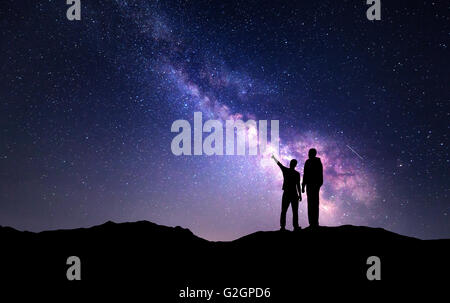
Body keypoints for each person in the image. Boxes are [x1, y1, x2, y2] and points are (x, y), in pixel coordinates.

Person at [271, 154, 302, 231]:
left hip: (289, 193)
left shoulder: (288, 171)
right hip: (292, 193)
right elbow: (298, 185)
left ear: (292, 164)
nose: (292, 164)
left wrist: (300, 195)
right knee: (290, 211)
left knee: (287, 211)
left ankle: (286, 227)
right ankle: (292, 227)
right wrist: (300, 195)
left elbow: (298, 185)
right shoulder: (295, 173)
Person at [301, 148, 323, 228]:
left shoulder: (317, 161)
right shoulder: (307, 162)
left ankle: (315, 223)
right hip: (309, 185)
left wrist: (319, 184)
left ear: (314, 153)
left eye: (310, 153)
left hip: (315, 185)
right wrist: (303, 186)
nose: (309, 154)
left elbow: (320, 173)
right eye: (309, 153)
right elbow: (305, 174)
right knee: (310, 204)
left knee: (315, 203)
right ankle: (311, 223)